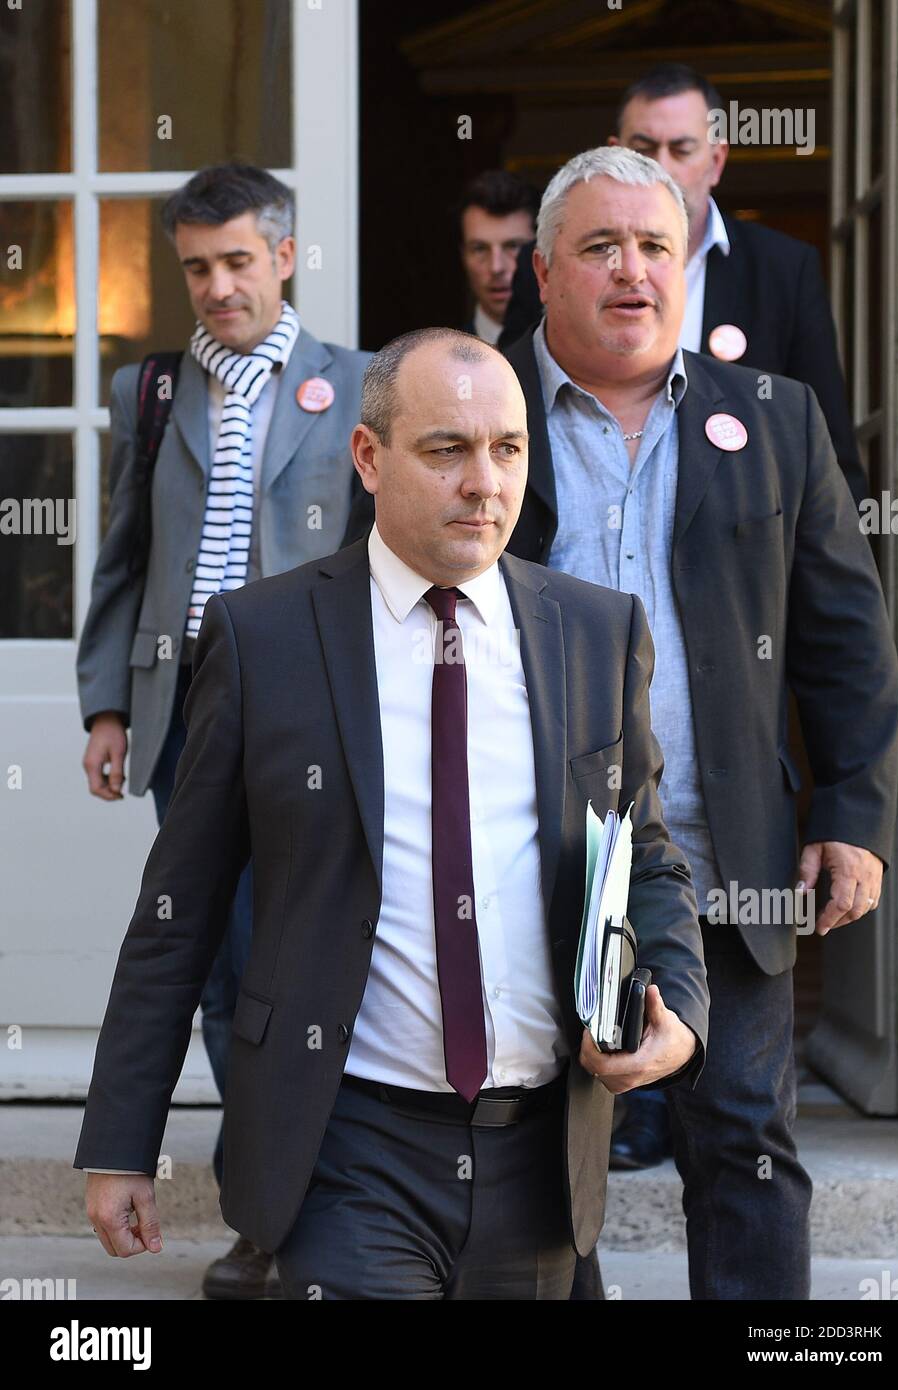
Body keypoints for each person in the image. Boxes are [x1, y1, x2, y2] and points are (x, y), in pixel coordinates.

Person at [341, 148, 898, 1300]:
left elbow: (845, 635)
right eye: (599, 247)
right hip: (521, 869)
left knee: (745, 1155)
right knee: (542, 1172)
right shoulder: (470, 413)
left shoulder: (774, 420)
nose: (632, 271)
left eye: (655, 246)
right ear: (539, 273)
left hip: (721, 869)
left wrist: (852, 812)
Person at [75, 327, 710, 1301]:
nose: (483, 482)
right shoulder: (262, 636)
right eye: (446, 449)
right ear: (368, 459)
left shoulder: (594, 632)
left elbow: (647, 856)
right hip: (345, 1147)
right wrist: (122, 1139)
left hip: (540, 1157)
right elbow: (180, 909)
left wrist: (679, 1010)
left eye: (506, 448)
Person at [76, 162, 370, 1300]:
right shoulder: (148, 392)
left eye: (237, 261)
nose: (216, 286)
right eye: (196, 266)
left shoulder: (355, 383)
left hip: (309, 711)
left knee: (295, 964)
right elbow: (119, 559)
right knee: (211, 959)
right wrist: (108, 703)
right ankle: (263, 1210)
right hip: (185, 711)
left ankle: (317, 1203)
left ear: (284, 257)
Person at [498, 62, 866, 505]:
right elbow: (506, 395)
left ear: (716, 160)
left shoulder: (784, 268)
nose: (662, 166)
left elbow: (830, 458)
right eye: (645, 147)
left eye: (682, 149)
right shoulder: (548, 262)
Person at [458, 170, 539, 345]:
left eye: (513, 246)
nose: (496, 267)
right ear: (463, 255)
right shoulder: (442, 363)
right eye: (479, 249)